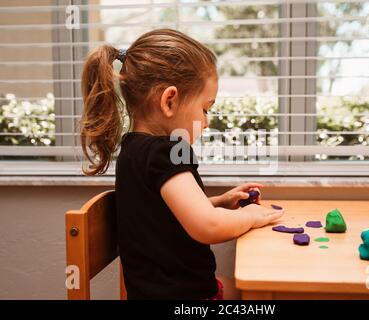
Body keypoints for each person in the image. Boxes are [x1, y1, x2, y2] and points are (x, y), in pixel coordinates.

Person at [79, 28, 284, 300]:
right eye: (205, 108)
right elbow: (207, 227)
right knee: (271, 295)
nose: (207, 121)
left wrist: (219, 202)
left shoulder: (132, 149)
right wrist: (249, 216)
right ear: (169, 100)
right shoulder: (170, 150)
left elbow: (161, 214)